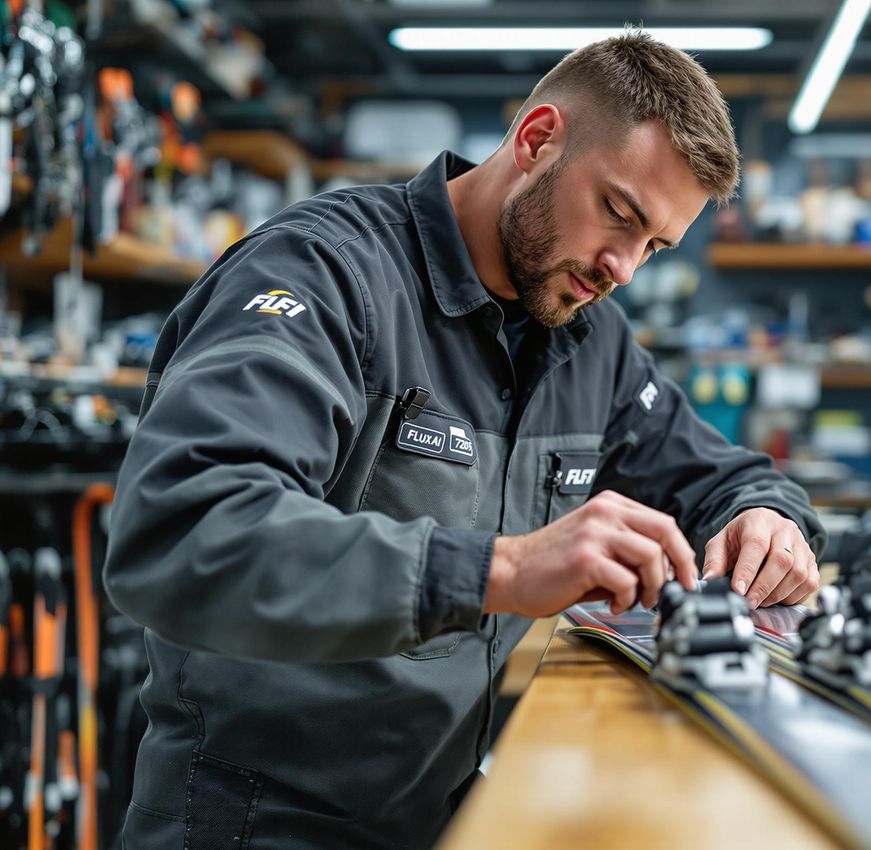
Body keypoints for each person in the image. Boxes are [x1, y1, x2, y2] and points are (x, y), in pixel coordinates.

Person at [103, 31, 826, 850]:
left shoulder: (588, 339)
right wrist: (503, 570)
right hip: (255, 824)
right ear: (537, 139)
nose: (624, 267)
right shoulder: (325, 273)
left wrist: (768, 518)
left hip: (437, 816)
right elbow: (182, 532)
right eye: (619, 214)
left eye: (654, 245)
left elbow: (719, 476)